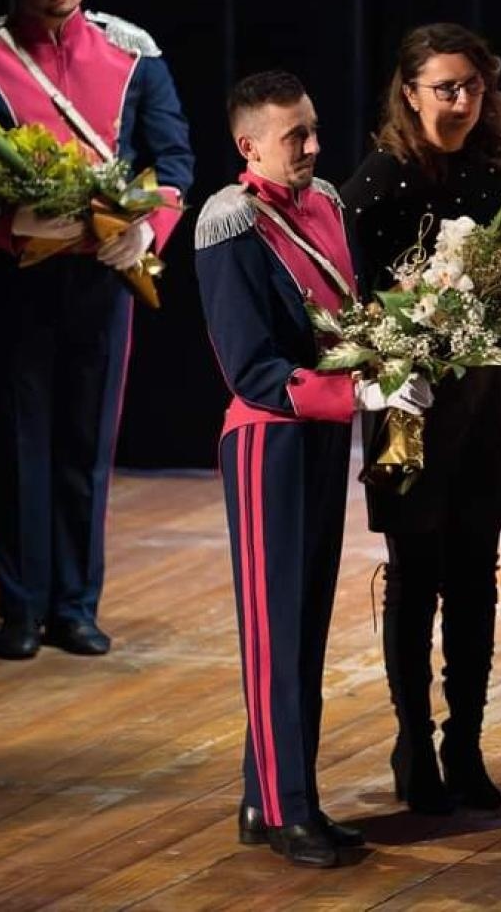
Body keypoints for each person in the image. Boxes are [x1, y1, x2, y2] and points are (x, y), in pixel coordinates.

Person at [0, 0, 194, 660]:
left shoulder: (133, 52)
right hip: (15, 276)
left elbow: (172, 162)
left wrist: (145, 232)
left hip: (102, 277)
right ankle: (19, 609)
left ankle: (76, 607)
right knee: (17, 445)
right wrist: (15, 227)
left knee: (86, 445)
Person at [197, 70, 431, 868]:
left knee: (301, 627)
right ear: (247, 144)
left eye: (313, 129)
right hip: (270, 439)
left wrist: (394, 350)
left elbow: (348, 312)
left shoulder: (326, 199)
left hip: (325, 436)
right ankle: (291, 809)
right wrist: (357, 388)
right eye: (293, 135)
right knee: (274, 634)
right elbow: (249, 367)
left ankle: (267, 795)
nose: (312, 146)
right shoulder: (229, 223)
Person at [340, 23, 501, 814]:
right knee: (415, 574)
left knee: (475, 578)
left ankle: (469, 738)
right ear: (409, 92)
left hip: (480, 400)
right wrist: (400, 348)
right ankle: (413, 737)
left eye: (472, 87)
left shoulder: (495, 174)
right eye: (444, 87)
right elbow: (346, 299)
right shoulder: (379, 180)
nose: (459, 101)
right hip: (404, 405)